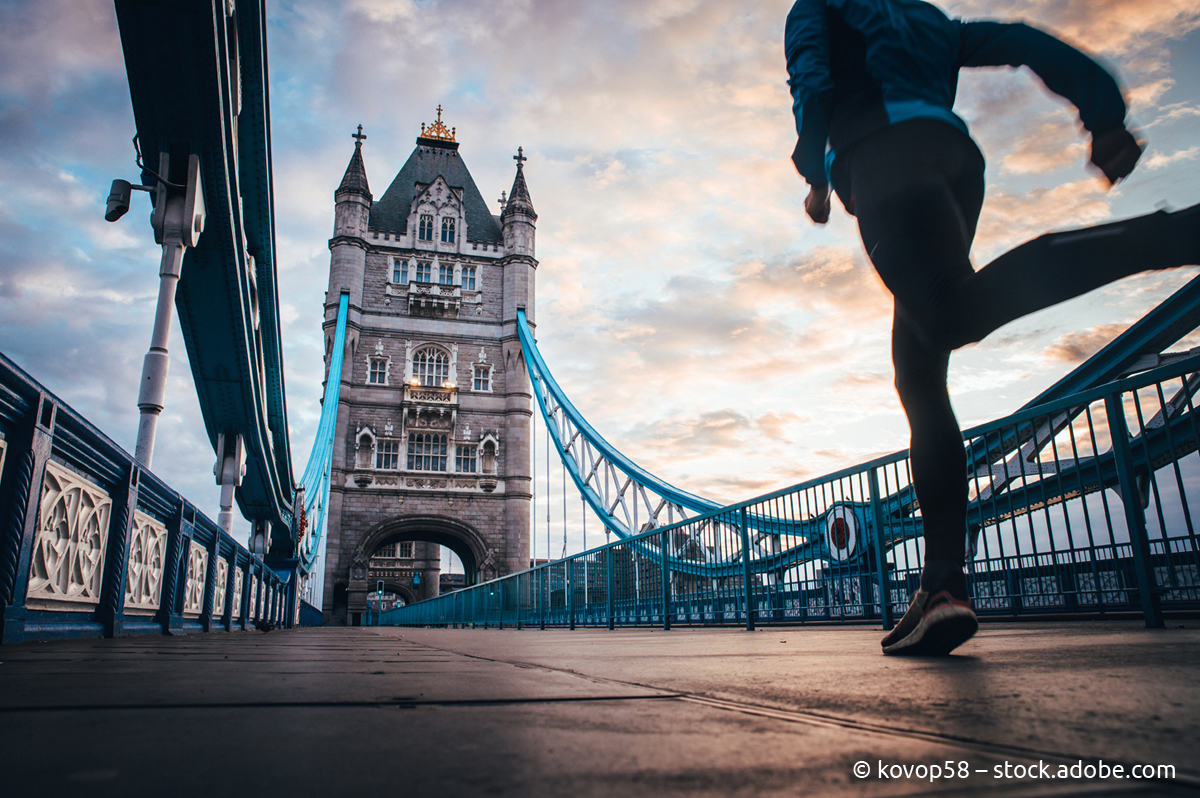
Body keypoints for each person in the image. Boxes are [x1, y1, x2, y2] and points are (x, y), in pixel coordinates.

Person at [785, 0, 1198, 655]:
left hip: (882, 160)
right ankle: (943, 587)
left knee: (949, 316)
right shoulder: (924, 18)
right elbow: (1020, 40)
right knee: (916, 372)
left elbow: (811, 77)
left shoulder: (819, 7)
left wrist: (814, 175)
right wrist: (1103, 115)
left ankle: (1172, 234)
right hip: (953, 162)